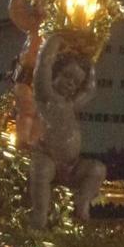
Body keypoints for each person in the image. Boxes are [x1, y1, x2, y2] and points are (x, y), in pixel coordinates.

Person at [29, 32, 106, 229]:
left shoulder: (70, 104)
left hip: (72, 167)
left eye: (76, 82)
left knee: (97, 169)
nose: (71, 83)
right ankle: (39, 218)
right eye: (67, 76)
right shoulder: (45, 96)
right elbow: (43, 65)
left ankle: (82, 203)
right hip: (49, 158)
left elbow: (90, 89)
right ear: (55, 73)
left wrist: (90, 58)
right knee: (42, 170)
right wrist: (58, 37)